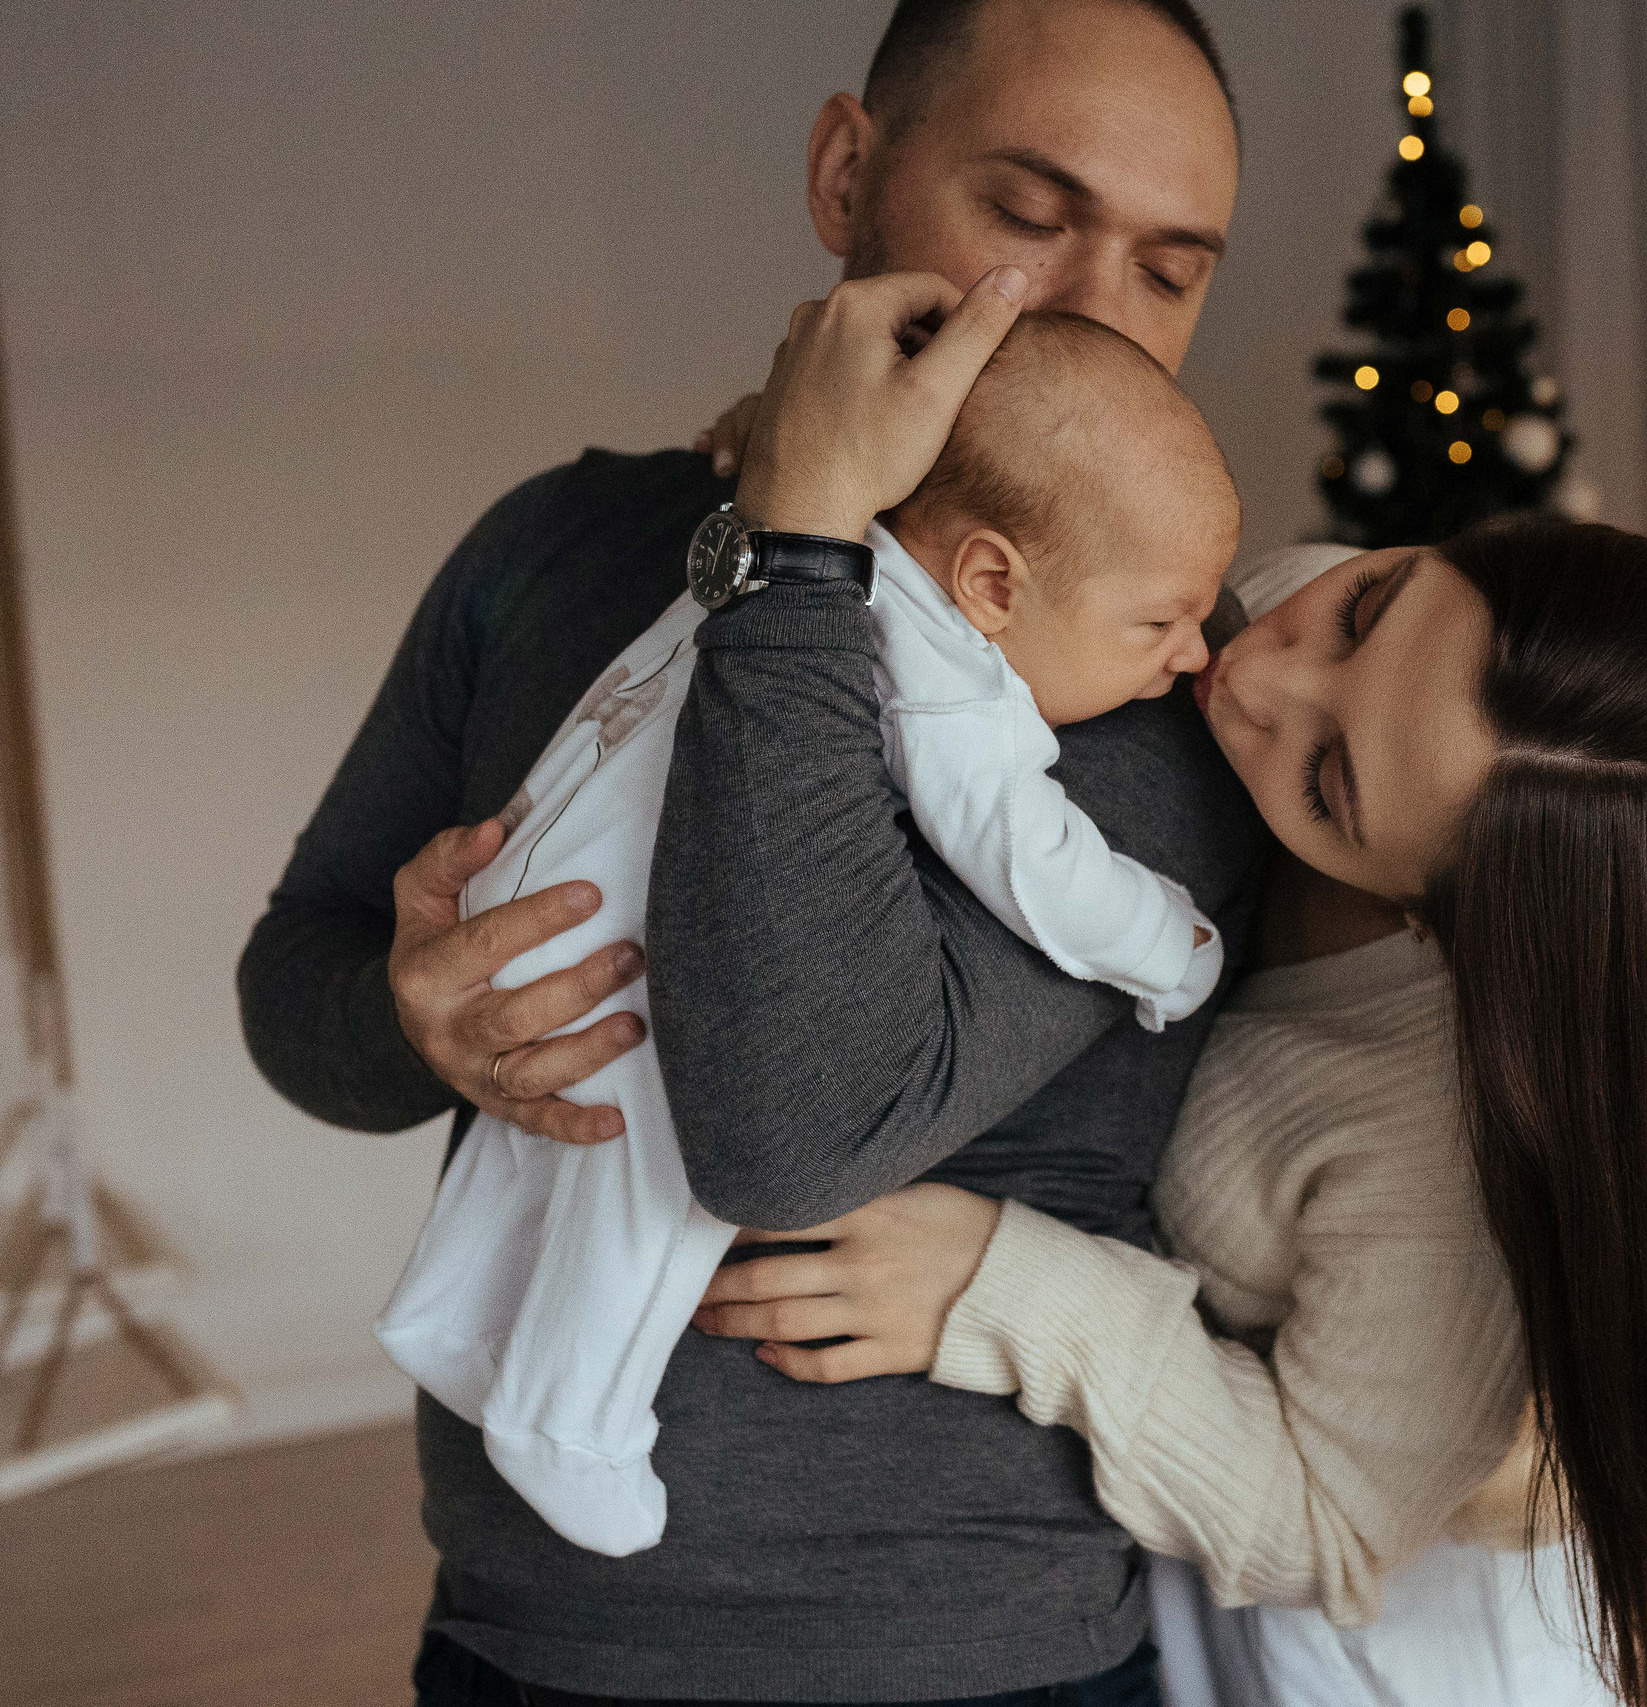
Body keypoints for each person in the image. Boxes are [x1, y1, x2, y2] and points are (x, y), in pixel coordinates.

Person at [670, 289, 1647, 1707]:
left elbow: (1326, 1518)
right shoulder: (1312, 628)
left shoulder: (1441, 1152)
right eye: (1371, 602)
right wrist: (828, 494)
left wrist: (1003, 1281)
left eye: (1328, 782)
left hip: (1381, 1636)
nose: (1251, 664)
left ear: (1442, 920)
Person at [236, 1, 1258, 1700]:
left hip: (978, 1652)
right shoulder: (555, 546)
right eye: (1028, 212)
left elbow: (794, 1131)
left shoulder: (1162, 663)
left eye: (1170, 266)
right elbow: (298, 991)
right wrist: (408, 1016)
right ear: (848, 169)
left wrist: (798, 546)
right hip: (534, 1631)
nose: (1089, 312)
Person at [372, 310, 1237, 1560]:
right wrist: (1171, 945)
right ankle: (571, 1414)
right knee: (654, 1180)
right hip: (624, 939)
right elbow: (1026, 853)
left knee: (533, 1152)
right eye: (1158, 623)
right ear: (994, 582)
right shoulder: (942, 662)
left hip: (534, 876)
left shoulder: (770, 552)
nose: (1193, 654)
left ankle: (450, 1316)